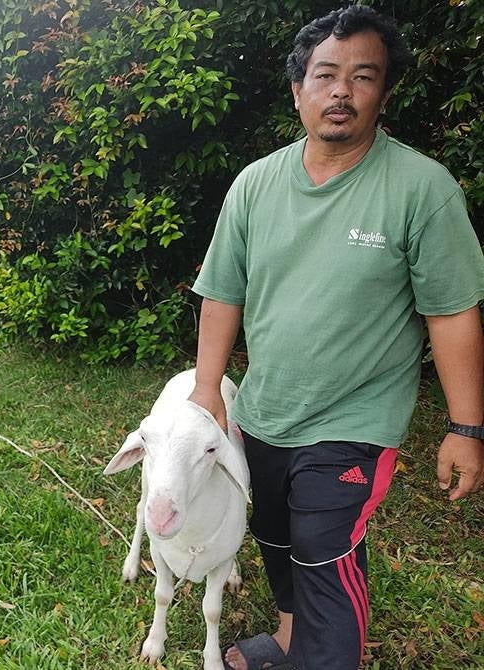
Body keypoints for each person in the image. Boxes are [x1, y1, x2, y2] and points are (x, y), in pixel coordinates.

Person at [188, 6, 484, 670]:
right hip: (265, 411)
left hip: (355, 419)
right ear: (298, 90)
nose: (341, 92)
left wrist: (466, 428)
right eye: (325, 75)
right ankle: (292, 641)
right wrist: (208, 387)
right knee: (275, 534)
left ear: (384, 92)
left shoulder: (421, 191)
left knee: (325, 551)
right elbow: (222, 293)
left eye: (362, 76)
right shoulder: (256, 185)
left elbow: (453, 314)